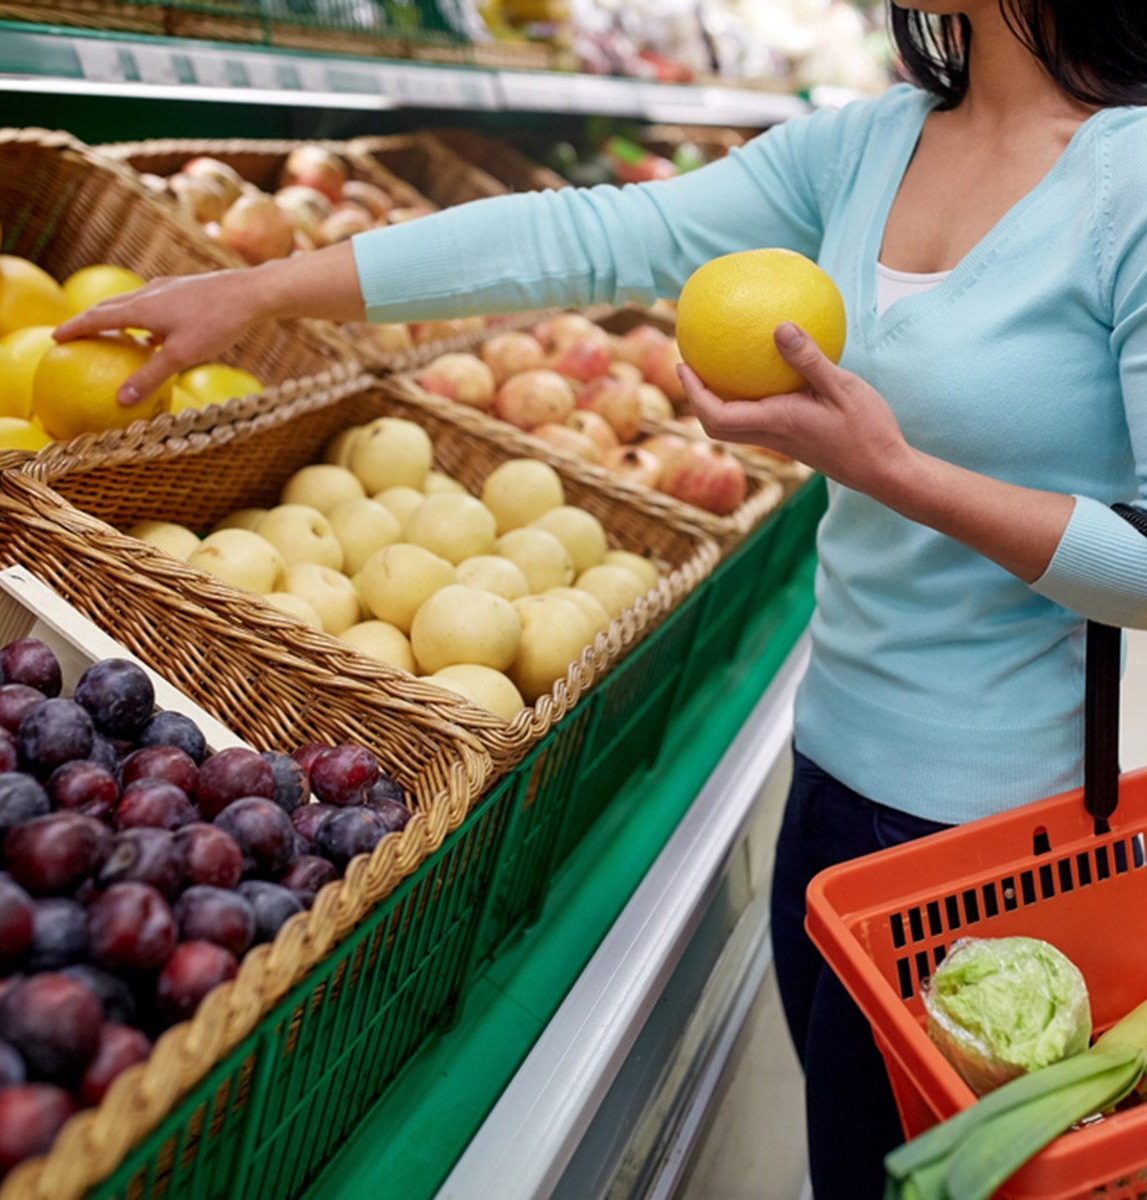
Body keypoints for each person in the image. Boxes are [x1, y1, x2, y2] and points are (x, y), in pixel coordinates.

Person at [57, 2, 1147, 1193]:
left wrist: (890, 470)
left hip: (988, 838)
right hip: (827, 793)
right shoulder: (870, 145)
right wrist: (264, 290)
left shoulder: (1126, 180)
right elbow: (592, 234)